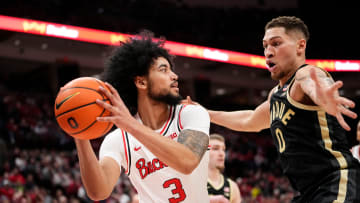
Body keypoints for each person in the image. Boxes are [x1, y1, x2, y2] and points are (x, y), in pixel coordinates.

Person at [186, 16, 360, 202]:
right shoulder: (275, 95)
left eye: (276, 43)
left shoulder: (306, 74)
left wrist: (324, 95)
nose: (268, 52)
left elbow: (312, 82)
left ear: (300, 46)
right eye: (265, 46)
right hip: (308, 191)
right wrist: (205, 113)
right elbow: (250, 120)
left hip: (336, 181)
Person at [74, 31, 211, 203]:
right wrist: (80, 134)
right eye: (163, 70)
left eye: (172, 70)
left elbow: (187, 161)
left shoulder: (191, 114)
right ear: (141, 82)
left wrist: (131, 124)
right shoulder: (118, 139)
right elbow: (98, 192)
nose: (174, 76)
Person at [208, 133, 241, 203]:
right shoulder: (193, 182)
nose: (221, 153)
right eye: (215, 149)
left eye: (223, 149)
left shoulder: (232, 186)